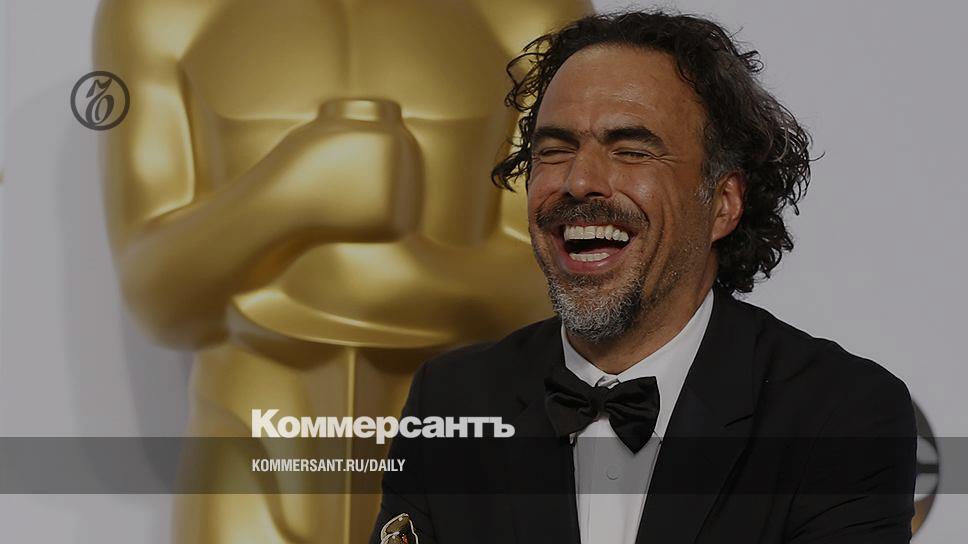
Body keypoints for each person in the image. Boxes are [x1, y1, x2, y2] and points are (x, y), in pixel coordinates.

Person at [371, 10, 916, 544]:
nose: (580, 181)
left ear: (723, 204)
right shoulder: (452, 399)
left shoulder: (839, 414)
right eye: (555, 151)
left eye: (631, 151)